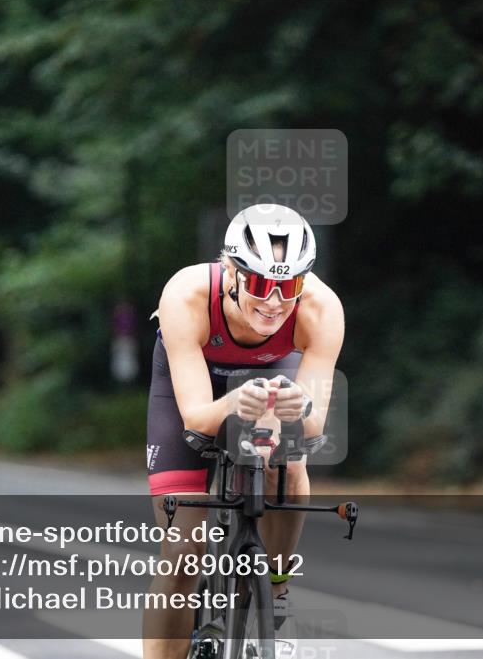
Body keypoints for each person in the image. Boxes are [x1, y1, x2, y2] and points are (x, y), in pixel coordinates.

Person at [142, 203, 344, 659]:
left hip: (274, 374)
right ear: (230, 271)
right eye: (259, 284)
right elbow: (195, 416)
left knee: (288, 461)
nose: (274, 302)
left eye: (288, 285)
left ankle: (275, 584)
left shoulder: (321, 309)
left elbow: (313, 425)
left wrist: (297, 410)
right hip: (196, 385)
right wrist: (233, 402)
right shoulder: (187, 294)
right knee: (182, 555)